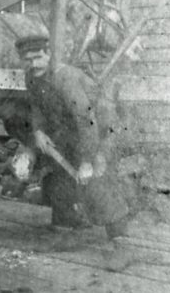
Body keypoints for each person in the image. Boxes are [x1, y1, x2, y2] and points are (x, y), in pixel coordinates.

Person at [15, 34, 130, 245]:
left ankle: (119, 235)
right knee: (57, 175)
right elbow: (36, 107)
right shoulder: (31, 77)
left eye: (38, 57)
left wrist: (87, 160)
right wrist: (39, 131)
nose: (34, 64)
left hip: (103, 129)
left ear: (48, 54)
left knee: (96, 178)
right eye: (28, 60)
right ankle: (65, 225)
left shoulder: (65, 77)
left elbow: (87, 120)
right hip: (71, 131)